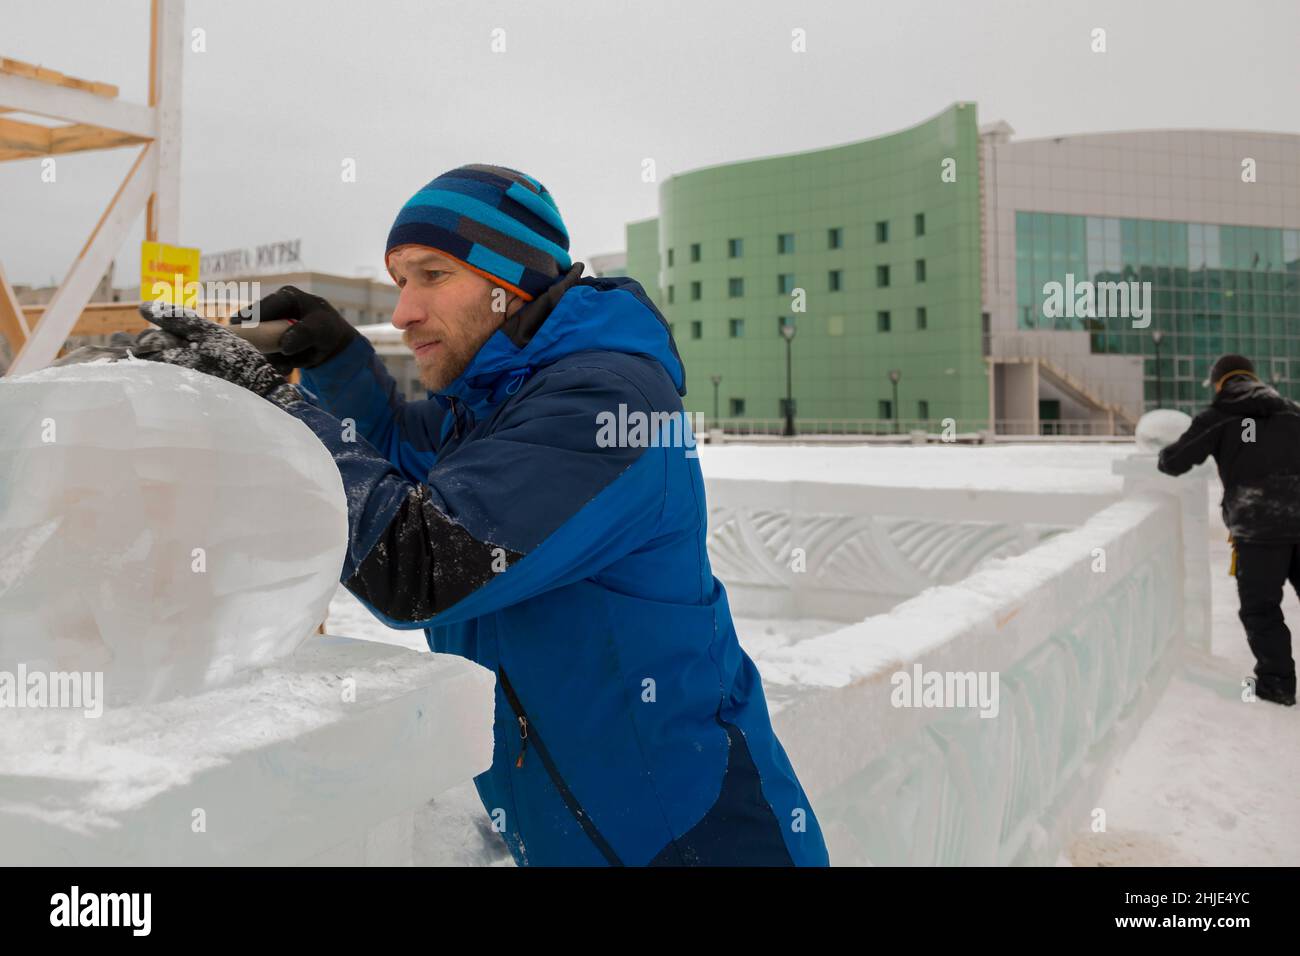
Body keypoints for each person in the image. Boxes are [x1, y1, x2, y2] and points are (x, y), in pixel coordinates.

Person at [134, 163, 830, 865]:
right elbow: (408, 462)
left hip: (698, 843)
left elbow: (423, 561)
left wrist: (274, 405)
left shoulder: (604, 402)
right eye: (400, 280)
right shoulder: (498, 400)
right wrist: (337, 360)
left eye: (431, 275)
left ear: (510, 284)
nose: (403, 311)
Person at [1157, 353, 1300, 706]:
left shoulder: (1219, 417)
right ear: (1255, 377)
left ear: (1220, 383)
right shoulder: (1292, 412)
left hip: (1257, 528)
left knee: (1261, 608)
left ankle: (1276, 684)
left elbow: (1174, 461)